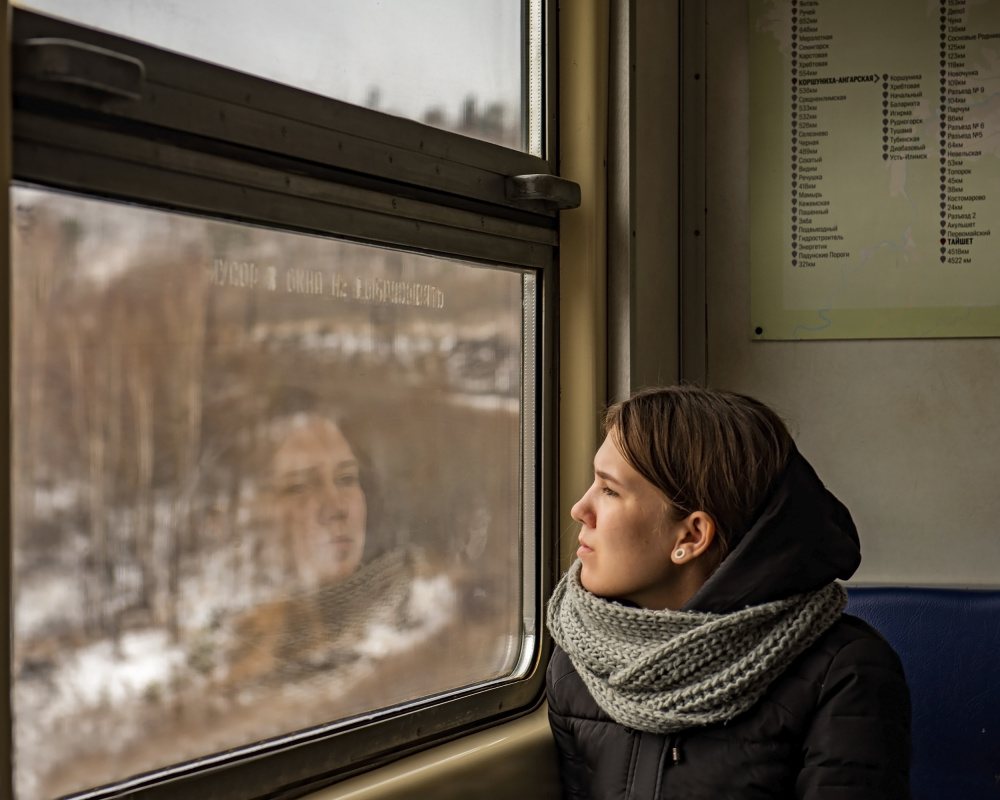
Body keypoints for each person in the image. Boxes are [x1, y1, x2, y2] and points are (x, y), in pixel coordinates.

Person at [546, 385, 911, 799]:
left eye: (609, 490)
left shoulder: (846, 673)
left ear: (692, 535)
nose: (580, 508)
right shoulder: (579, 665)